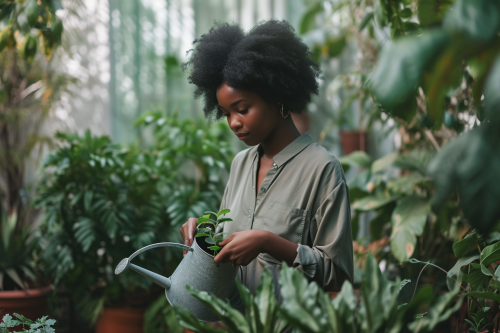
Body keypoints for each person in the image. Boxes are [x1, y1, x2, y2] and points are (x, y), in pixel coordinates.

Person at [179, 20, 353, 296]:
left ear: (276, 97)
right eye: (226, 114)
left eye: (242, 109)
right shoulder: (240, 164)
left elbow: (337, 275)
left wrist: (268, 242)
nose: (234, 123)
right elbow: (226, 247)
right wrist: (203, 233)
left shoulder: (322, 169)